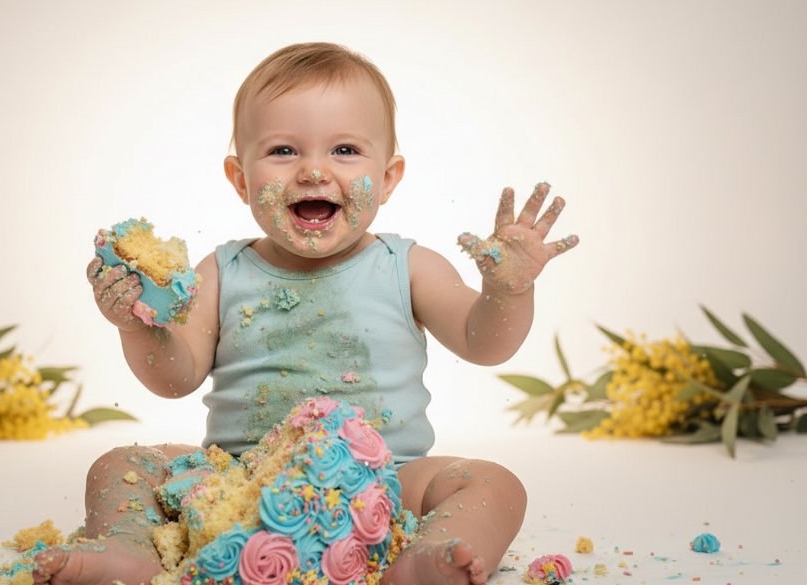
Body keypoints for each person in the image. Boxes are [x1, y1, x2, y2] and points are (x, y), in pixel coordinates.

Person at [34, 42, 578, 585]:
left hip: (383, 481)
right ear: (240, 179)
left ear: (388, 178)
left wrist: (507, 292)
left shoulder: (408, 267)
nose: (314, 171)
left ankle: (422, 562)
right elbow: (175, 379)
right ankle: (131, 552)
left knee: (495, 483)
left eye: (344, 150)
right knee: (120, 466)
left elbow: (484, 344)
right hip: (240, 482)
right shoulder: (222, 271)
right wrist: (138, 325)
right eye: (283, 151)